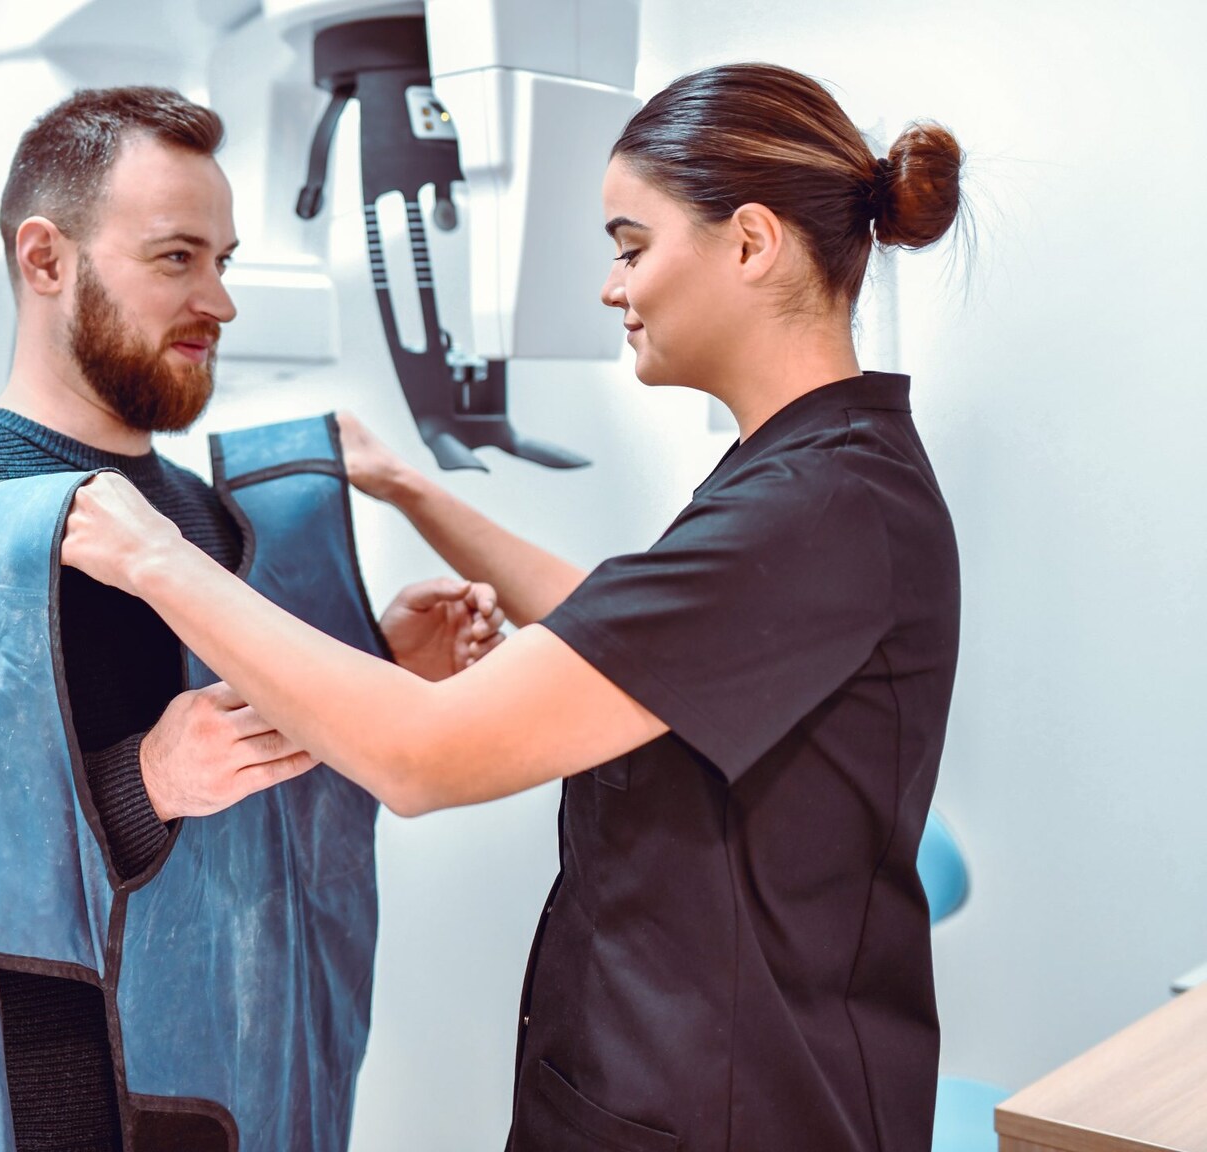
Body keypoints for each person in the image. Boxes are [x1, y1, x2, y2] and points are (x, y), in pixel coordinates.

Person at [59, 63, 966, 1152]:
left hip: (735, 1107)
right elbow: (632, 634)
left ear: (749, 243)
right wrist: (407, 488)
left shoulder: (813, 509)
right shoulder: (811, 478)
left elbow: (419, 756)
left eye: (630, 244)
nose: (609, 285)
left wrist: (156, 560)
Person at [0, 86, 502, 1152]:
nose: (220, 302)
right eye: (177, 258)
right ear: (44, 260)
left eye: (223, 260)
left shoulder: (194, 509)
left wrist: (378, 663)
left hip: (253, 1090)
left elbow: (241, 762)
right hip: (62, 1121)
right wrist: (146, 781)